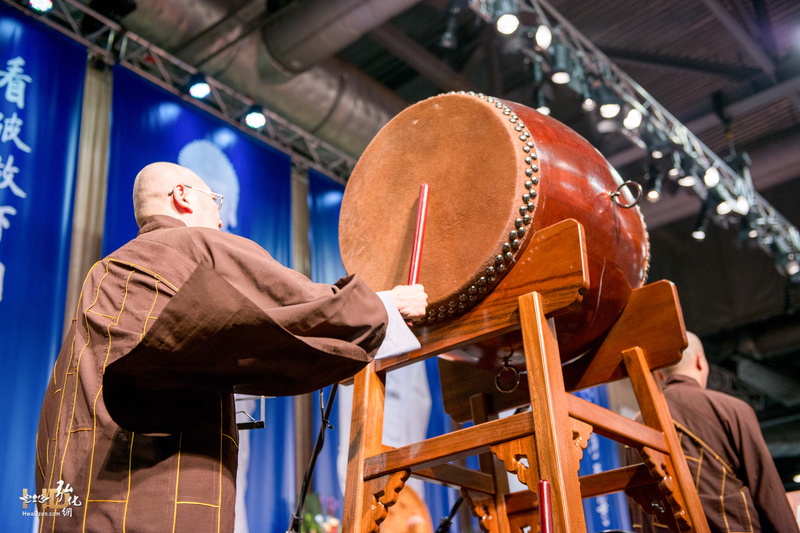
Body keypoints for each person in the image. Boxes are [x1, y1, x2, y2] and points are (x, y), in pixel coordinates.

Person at [35, 162, 428, 532]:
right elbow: (297, 307)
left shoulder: (102, 275)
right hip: (150, 494)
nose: (220, 219)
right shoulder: (189, 244)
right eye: (215, 201)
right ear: (182, 197)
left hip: (73, 500)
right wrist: (384, 307)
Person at [631, 332, 799, 533]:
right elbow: (766, 489)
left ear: (659, 374)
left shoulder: (636, 425)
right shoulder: (730, 409)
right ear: (700, 362)